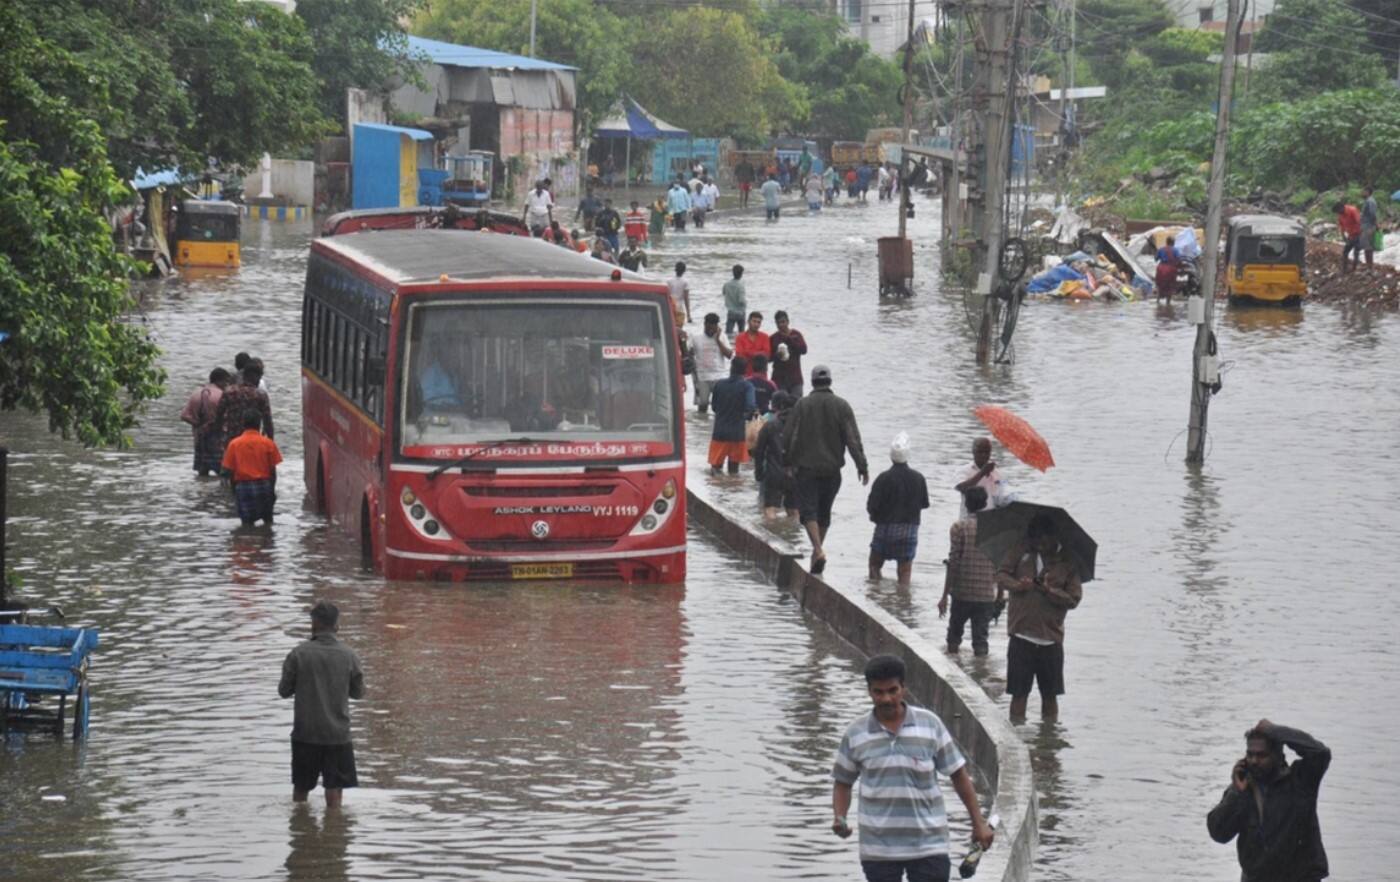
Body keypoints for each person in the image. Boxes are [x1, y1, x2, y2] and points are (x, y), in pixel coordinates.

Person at [831, 654, 995, 882]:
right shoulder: (856, 733)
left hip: (929, 844)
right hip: (878, 849)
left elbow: (958, 775)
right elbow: (843, 782)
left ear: (904, 688)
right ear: (869, 691)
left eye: (892, 690)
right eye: (878, 692)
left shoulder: (930, 724)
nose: (886, 698)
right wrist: (840, 816)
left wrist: (978, 823)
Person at [1207, 719, 1331, 882]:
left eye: (1261, 755)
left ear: (1279, 757)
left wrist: (1277, 731)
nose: (1254, 761)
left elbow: (1320, 753)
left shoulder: (1301, 781)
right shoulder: (1243, 788)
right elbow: (1218, 833)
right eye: (1250, 754)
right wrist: (1237, 794)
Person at [995, 513, 1083, 721]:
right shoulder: (1020, 552)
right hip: (1021, 636)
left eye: (1044, 539)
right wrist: (1018, 586)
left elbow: (1073, 599)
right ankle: (1016, 733)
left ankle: (1048, 740)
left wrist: (1048, 591)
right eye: (1035, 539)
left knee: (1050, 697)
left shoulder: (1067, 564)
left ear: (1054, 538)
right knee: (1018, 695)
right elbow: (1000, 575)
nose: (1039, 544)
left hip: (1050, 640)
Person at [278, 600, 365, 808]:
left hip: (305, 734)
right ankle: (333, 835)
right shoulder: (350, 656)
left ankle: (301, 833)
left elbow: (283, 691)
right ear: (337, 626)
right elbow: (358, 693)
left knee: (301, 789)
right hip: (337, 736)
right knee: (334, 791)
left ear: (313, 625)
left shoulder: (298, 654)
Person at [783, 365, 868, 575]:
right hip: (832, 471)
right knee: (824, 512)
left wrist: (788, 462)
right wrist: (862, 465)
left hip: (806, 469)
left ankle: (818, 550)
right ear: (830, 381)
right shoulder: (842, 406)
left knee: (808, 511)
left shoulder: (802, 405)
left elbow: (789, 437)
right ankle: (817, 552)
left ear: (812, 383)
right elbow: (852, 439)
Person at [937, 487, 999, 656]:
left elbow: (954, 563)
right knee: (981, 640)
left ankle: (951, 669)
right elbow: (999, 564)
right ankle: (979, 674)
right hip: (985, 594)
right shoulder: (994, 529)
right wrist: (999, 595)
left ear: (966, 504)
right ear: (985, 503)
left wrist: (944, 596)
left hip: (962, 593)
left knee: (954, 637)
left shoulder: (959, 527)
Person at [865, 433, 930, 587]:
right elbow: (925, 504)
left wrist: (875, 517)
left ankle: (875, 598)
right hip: (909, 532)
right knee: (905, 572)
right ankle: (903, 600)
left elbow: (872, 506)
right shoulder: (919, 478)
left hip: (885, 530)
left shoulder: (883, 478)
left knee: (874, 565)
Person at [221, 410, 283, 526]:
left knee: (246, 526)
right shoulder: (268, 443)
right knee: (268, 523)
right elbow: (273, 472)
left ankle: (247, 541)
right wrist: (271, 491)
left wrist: (235, 492)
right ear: (259, 424)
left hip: (244, 488)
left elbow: (228, 471)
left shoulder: (234, 444)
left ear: (243, 424)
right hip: (264, 486)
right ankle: (268, 541)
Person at [754, 391, 798, 521]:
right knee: (794, 510)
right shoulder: (801, 426)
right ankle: (793, 536)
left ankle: (771, 532)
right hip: (794, 474)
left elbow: (759, 451)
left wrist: (759, 473)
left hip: (773, 473)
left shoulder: (770, 425)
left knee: (770, 508)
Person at [180, 367, 232, 476]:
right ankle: (219, 492)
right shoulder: (222, 395)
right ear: (220, 380)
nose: (227, 385)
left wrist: (199, 424)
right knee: (221, 471)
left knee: (202, 474)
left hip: (200, 438)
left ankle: (201, 491)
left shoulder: (196, 394)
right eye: (226, 382)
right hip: (217, 439)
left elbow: (184, 416)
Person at [708, 357, 755, 475]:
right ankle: (732, 490)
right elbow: (751, 407)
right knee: (734, 472)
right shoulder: (747, 386)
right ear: (745, 371)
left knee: (715, 469)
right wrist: (744, 417)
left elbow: (714, 407)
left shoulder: (719, 384)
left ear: (731, 368)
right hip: (737, 434)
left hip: (719, 433)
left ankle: (717, 492)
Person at [215, 362, 274, 449]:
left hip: (232, 441)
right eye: (259, 377)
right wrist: (270, 443)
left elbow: (218, 416)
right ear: (253, 376)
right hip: (253, 444)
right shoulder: (260, 395)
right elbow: (268, 422)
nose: (259, 381)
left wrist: (219, 438)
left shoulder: (229, 392)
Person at [953, 438, 1012, 514]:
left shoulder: (997, 473)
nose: (984, 455)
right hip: (968, 519)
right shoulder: (964, 470)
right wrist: (982, 473)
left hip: (990, 519)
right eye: (980, 452)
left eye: (987, 452)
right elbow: (960, 488)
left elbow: (1001, 498)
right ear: (973, 452)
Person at [693, 313, 733, 414]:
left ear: (717, 326)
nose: (711, 330)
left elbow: (729, 355)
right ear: (705, 325)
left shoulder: (722, 337)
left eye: (713, 328)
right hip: (702, 377)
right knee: (703, 405)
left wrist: (718, 341)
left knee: (720, 407)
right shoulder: (696, 337)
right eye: (709, 328)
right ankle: (702, 426)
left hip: (719, 377)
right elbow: (689, 354)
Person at [769, 310, 808, 397]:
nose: (781, 325)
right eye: (778, 323)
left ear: (788, 321)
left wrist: (790, 340)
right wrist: (777, 355)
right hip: (779, 378)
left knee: (797, 405)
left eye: (783, 322)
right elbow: (768, 358)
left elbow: (804, 350)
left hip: (795, 378)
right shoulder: (773, 338)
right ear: (776, 324)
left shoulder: (796, 335)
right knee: (781, 405)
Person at [734, 311, 770, 375]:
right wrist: (759, 354)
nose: (756, 324)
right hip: (745, 376)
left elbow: (766, 355)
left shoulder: (765, 337)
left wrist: (748, 352)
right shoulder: (740, 337)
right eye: (754, 321)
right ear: (748, 321)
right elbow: (740, 357)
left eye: (758, 322)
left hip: (761, 376)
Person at [1333, 200, 1362, 274]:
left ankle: (1354, 269)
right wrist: (1343, 236)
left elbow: (1359, 222)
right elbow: (1341, 226)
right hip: (1351, 235)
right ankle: (1344, 269)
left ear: (1341, 208)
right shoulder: (1340, 214)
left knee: (1356, 252)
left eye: (1338, 211)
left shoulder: (1352, 210)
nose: (1338, 213)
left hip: (1358, 234)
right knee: (1345, 252)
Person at [1155, 235, 1180, 304]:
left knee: (1160, 286)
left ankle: (1158, 301)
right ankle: (1168, 302)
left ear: (1166, 242)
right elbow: (1178, 260)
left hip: (1161, 268)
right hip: (1171, 269)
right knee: (1170, 286)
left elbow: (1156, 259)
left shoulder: (1161, 249)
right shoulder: (1176, 250)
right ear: (1173, 243)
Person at [723, 265, 748, 336]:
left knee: (728, 333)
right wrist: (746, 303)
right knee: (742, 334)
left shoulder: (727, 284)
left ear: (733, 273)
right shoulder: (741, 286)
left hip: (731, 311)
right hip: (740, 312)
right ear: (741, 274)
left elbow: (724, 293)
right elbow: (741, 300)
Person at [1360, 185, 1380, 270]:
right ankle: (1368, 266)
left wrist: (1375, 225)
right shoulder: (1368, 201)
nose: (1362, 193)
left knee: (1368, 247)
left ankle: (1370, 267)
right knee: (1366, 247)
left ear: (1368, 192)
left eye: (1363, 191)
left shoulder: (1370, 201)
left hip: (1368, 226)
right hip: (1366, 226)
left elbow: (1373, 215)